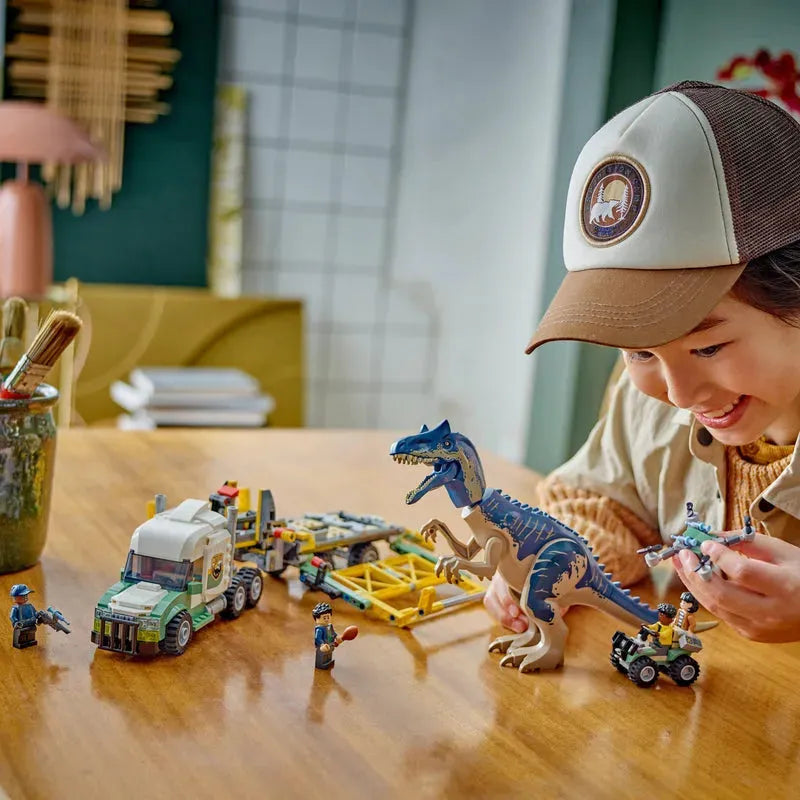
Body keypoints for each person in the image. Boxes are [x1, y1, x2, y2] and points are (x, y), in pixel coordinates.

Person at [484, 80, 800, 644]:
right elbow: (602, 505)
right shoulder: (645, 399)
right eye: (639, 350)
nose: (678, 394)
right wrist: (549, 555)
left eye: (708, 347)